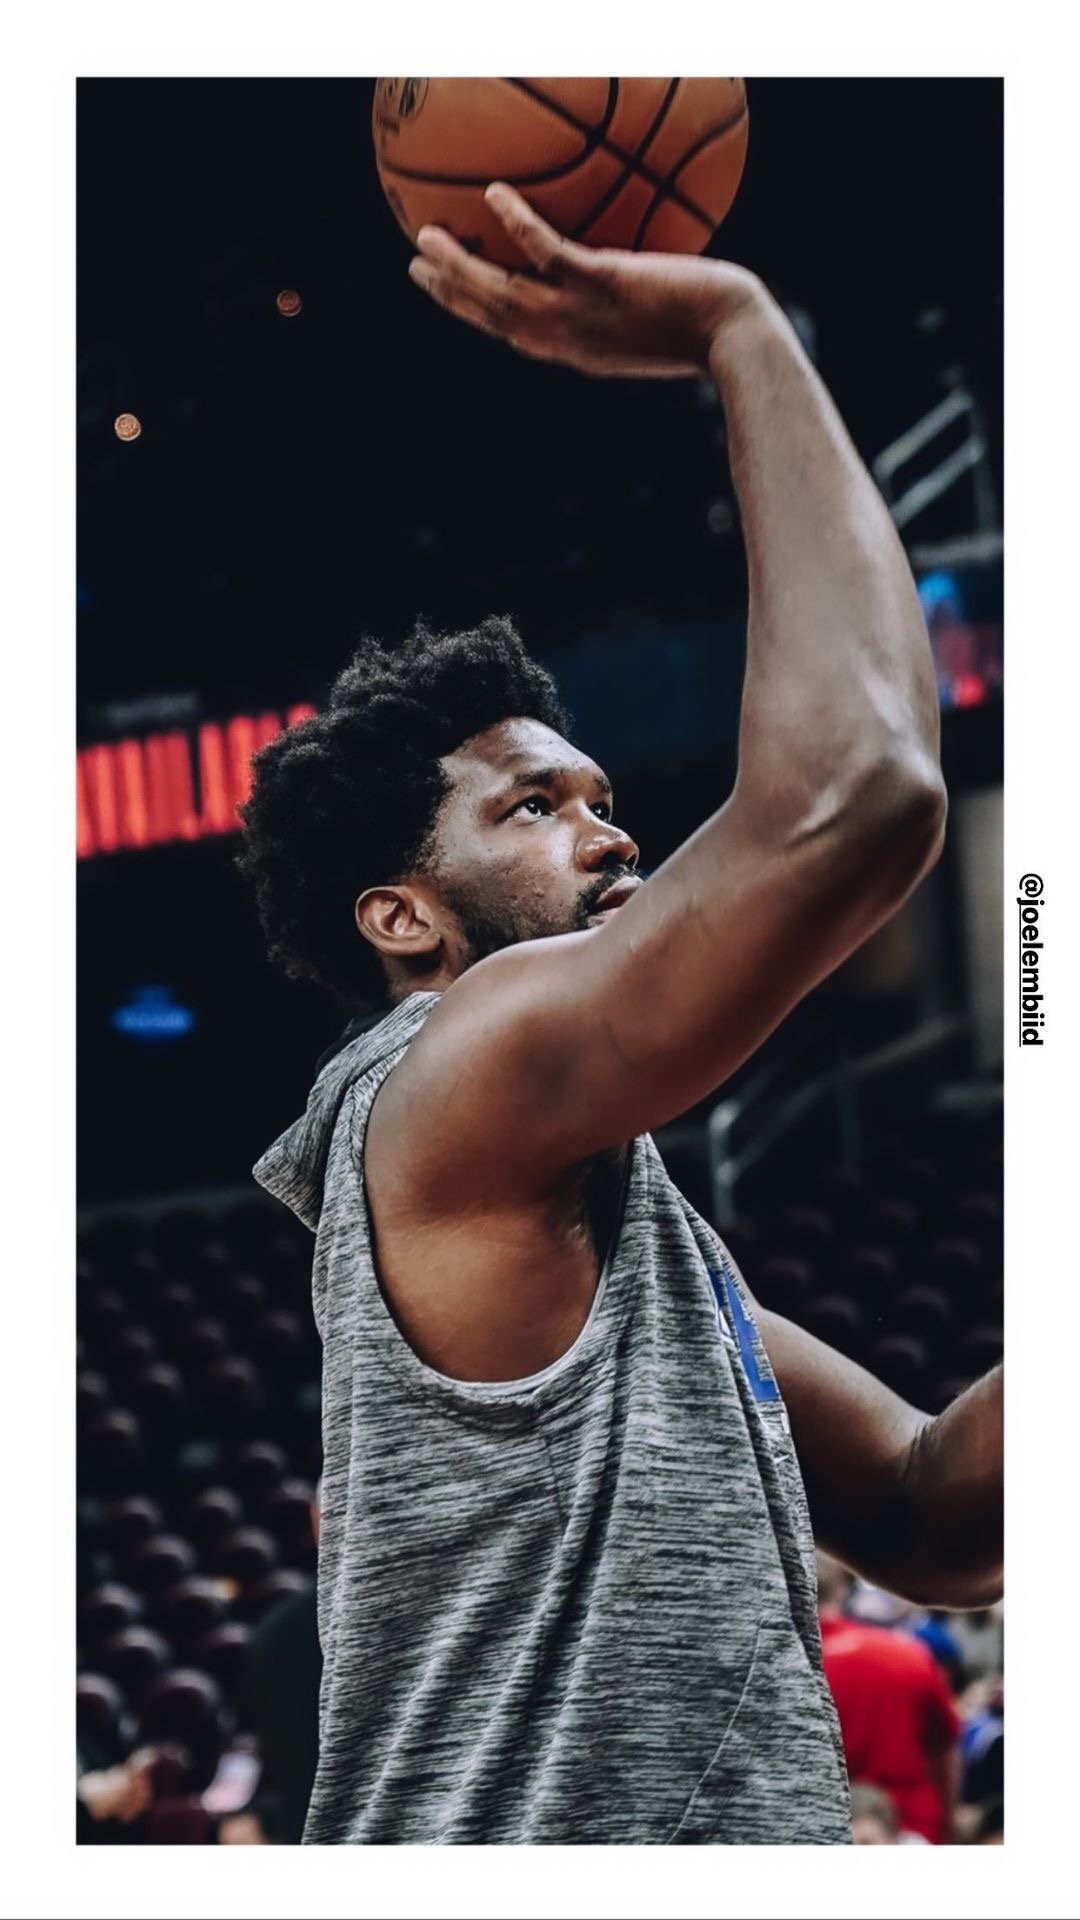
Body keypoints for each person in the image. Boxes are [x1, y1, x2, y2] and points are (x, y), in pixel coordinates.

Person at [239, 183, 1003, 1845]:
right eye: (534, 807)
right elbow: (862, 792)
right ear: (402, 916)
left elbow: (937, 1514)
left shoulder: (634, 1249)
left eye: (604, 798)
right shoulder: (444, 1071)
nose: (612, 834)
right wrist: (742, 329)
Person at [817, 1554, 961, 1844]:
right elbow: (945, 1752)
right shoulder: (909, 1654)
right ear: (841, 1591)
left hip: (825, 1827)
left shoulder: (789, 1667)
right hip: (916, 1830)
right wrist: (949, 1829)